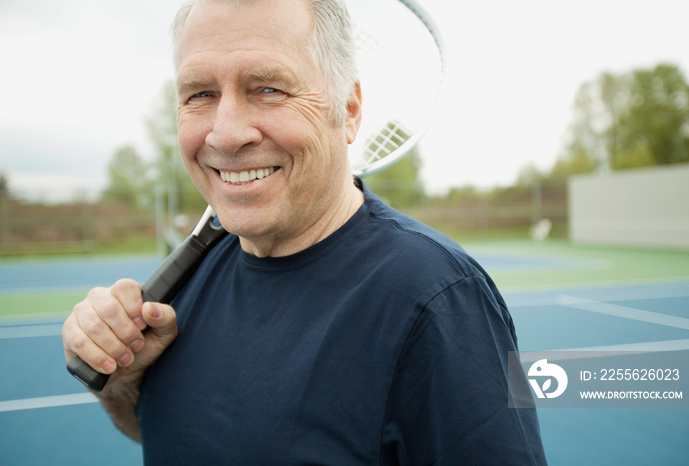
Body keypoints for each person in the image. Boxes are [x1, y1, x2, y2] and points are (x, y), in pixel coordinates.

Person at [62, 0, 547, 463]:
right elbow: (181, 438)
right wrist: (124, 385)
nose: (226, 134)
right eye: (201, 94)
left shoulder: (436, 299)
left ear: (350, 110)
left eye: (269, 88)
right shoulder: (188, 281)